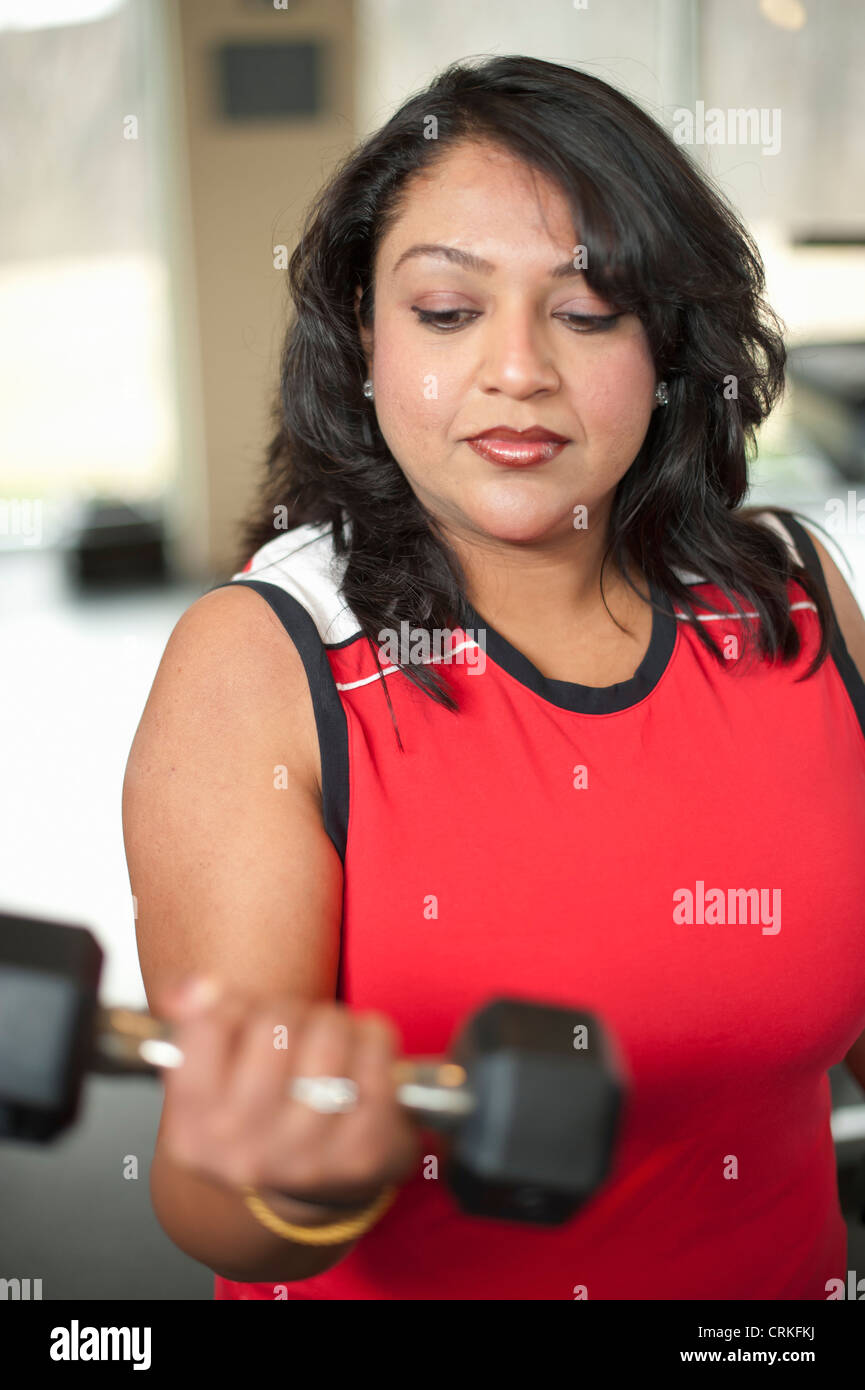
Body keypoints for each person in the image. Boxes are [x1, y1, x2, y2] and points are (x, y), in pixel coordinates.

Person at [122, 55, 865, 1300]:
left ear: (668, 341)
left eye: (584, 314)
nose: (518, 369)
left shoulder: (799, 603)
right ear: (363, 331)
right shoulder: (261, 666)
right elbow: (213, 1199)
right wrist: (294, 1173)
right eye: (448, 312)